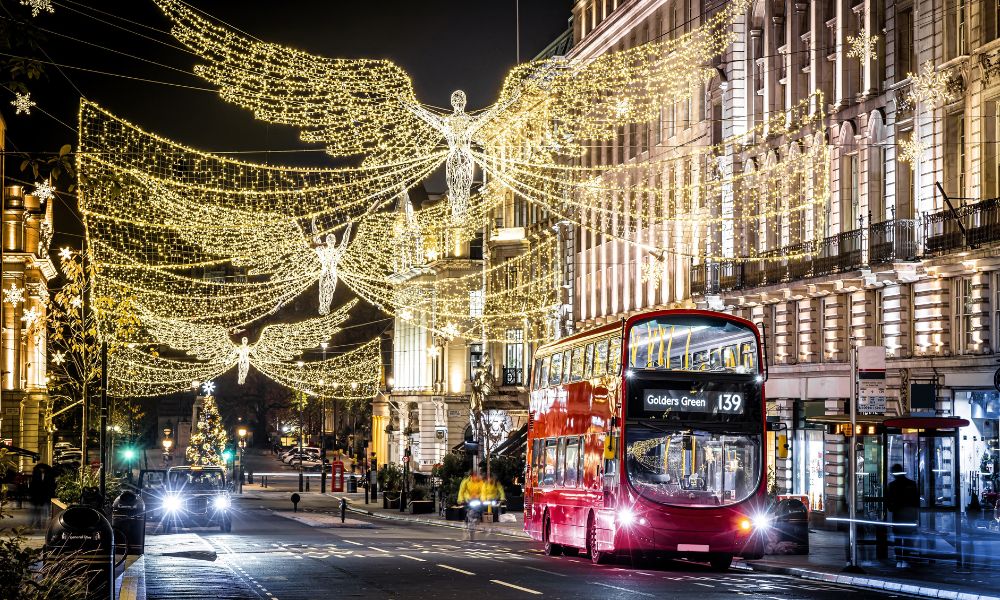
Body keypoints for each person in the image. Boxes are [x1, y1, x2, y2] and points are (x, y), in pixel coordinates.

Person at [885, 463, 919, 568]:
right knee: (908, 539)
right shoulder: (912, 484)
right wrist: (916, 517)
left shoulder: (892, 486)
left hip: (898, 517)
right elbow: (916, 502)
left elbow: (888, 503)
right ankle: (906, 560)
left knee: (898, 540)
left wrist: (892, 507)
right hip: (909, 517)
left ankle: (899, 560)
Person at [457, 472, 484, 540]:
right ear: (471, 476)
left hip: (476, 499)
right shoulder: (465, 481)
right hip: (467, 500)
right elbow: (461, 491)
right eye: (474, 476)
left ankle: (478, 518)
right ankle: (466, 521)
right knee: (468, 510)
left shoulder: (480, 482)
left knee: (480, 509)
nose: (475, 478)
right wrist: (460, 499)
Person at [28, 463, 54, 530]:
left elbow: (51, 485)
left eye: (42, 468)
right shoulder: (36, 475)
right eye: (40, 469)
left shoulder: (49, 475)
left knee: (43, 512)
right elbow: (33, 485)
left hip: (45, 496)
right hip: (36, 496)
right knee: (35, 512)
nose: (41, 470)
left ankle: (40, 525)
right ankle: (34, 525)